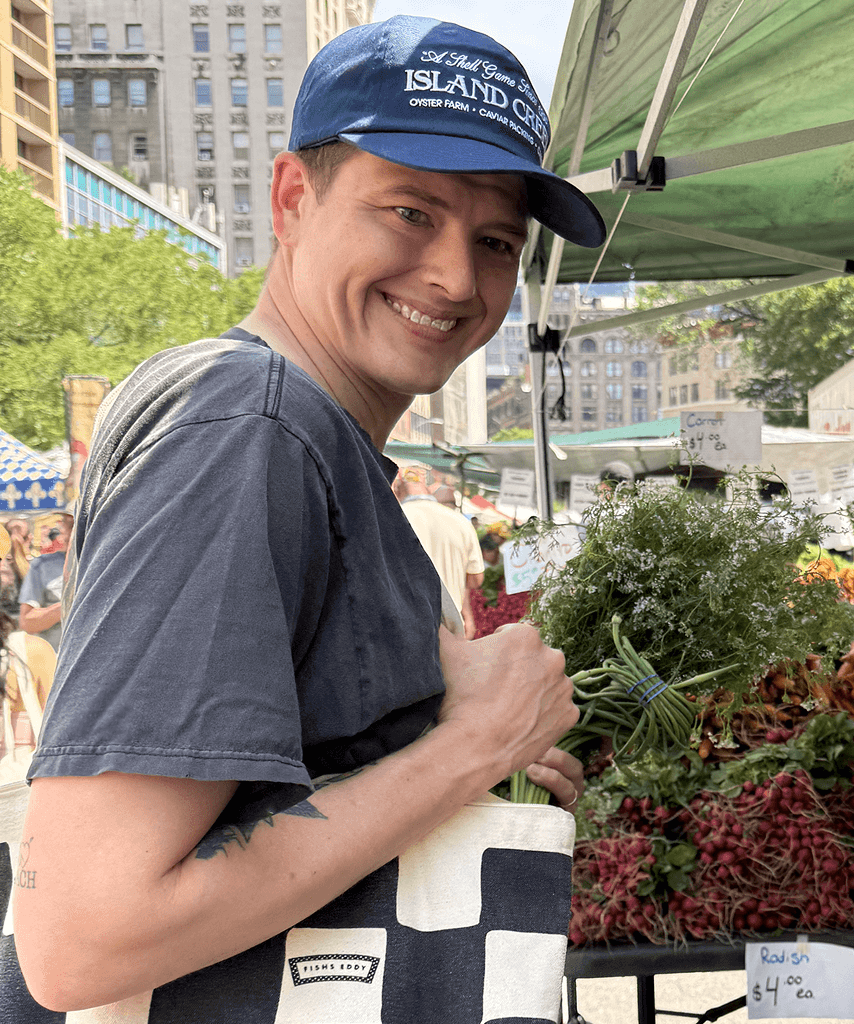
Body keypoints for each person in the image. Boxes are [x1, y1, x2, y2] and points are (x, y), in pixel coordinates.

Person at [11, 15, 605, 1014]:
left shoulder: (300, 439)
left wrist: (453, 738)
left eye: (496, 239)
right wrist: (473, 748)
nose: (457, 277)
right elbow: (83, 934)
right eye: (411, 212)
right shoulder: (251, 427)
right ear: (294, 197)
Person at [397, 470, 486, 639]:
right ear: (429, 488)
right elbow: (475, 580)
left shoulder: (391, 519)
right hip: (451, 624)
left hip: (407, 625)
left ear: (397, 489)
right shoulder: (461, 522)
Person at [15, 510, 70, 654]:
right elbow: (27, 622)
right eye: (63, 522)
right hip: (56, 661)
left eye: (71, 523)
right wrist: (68, 606)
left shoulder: (105, 563)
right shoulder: (42, 566)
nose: (62, 527)